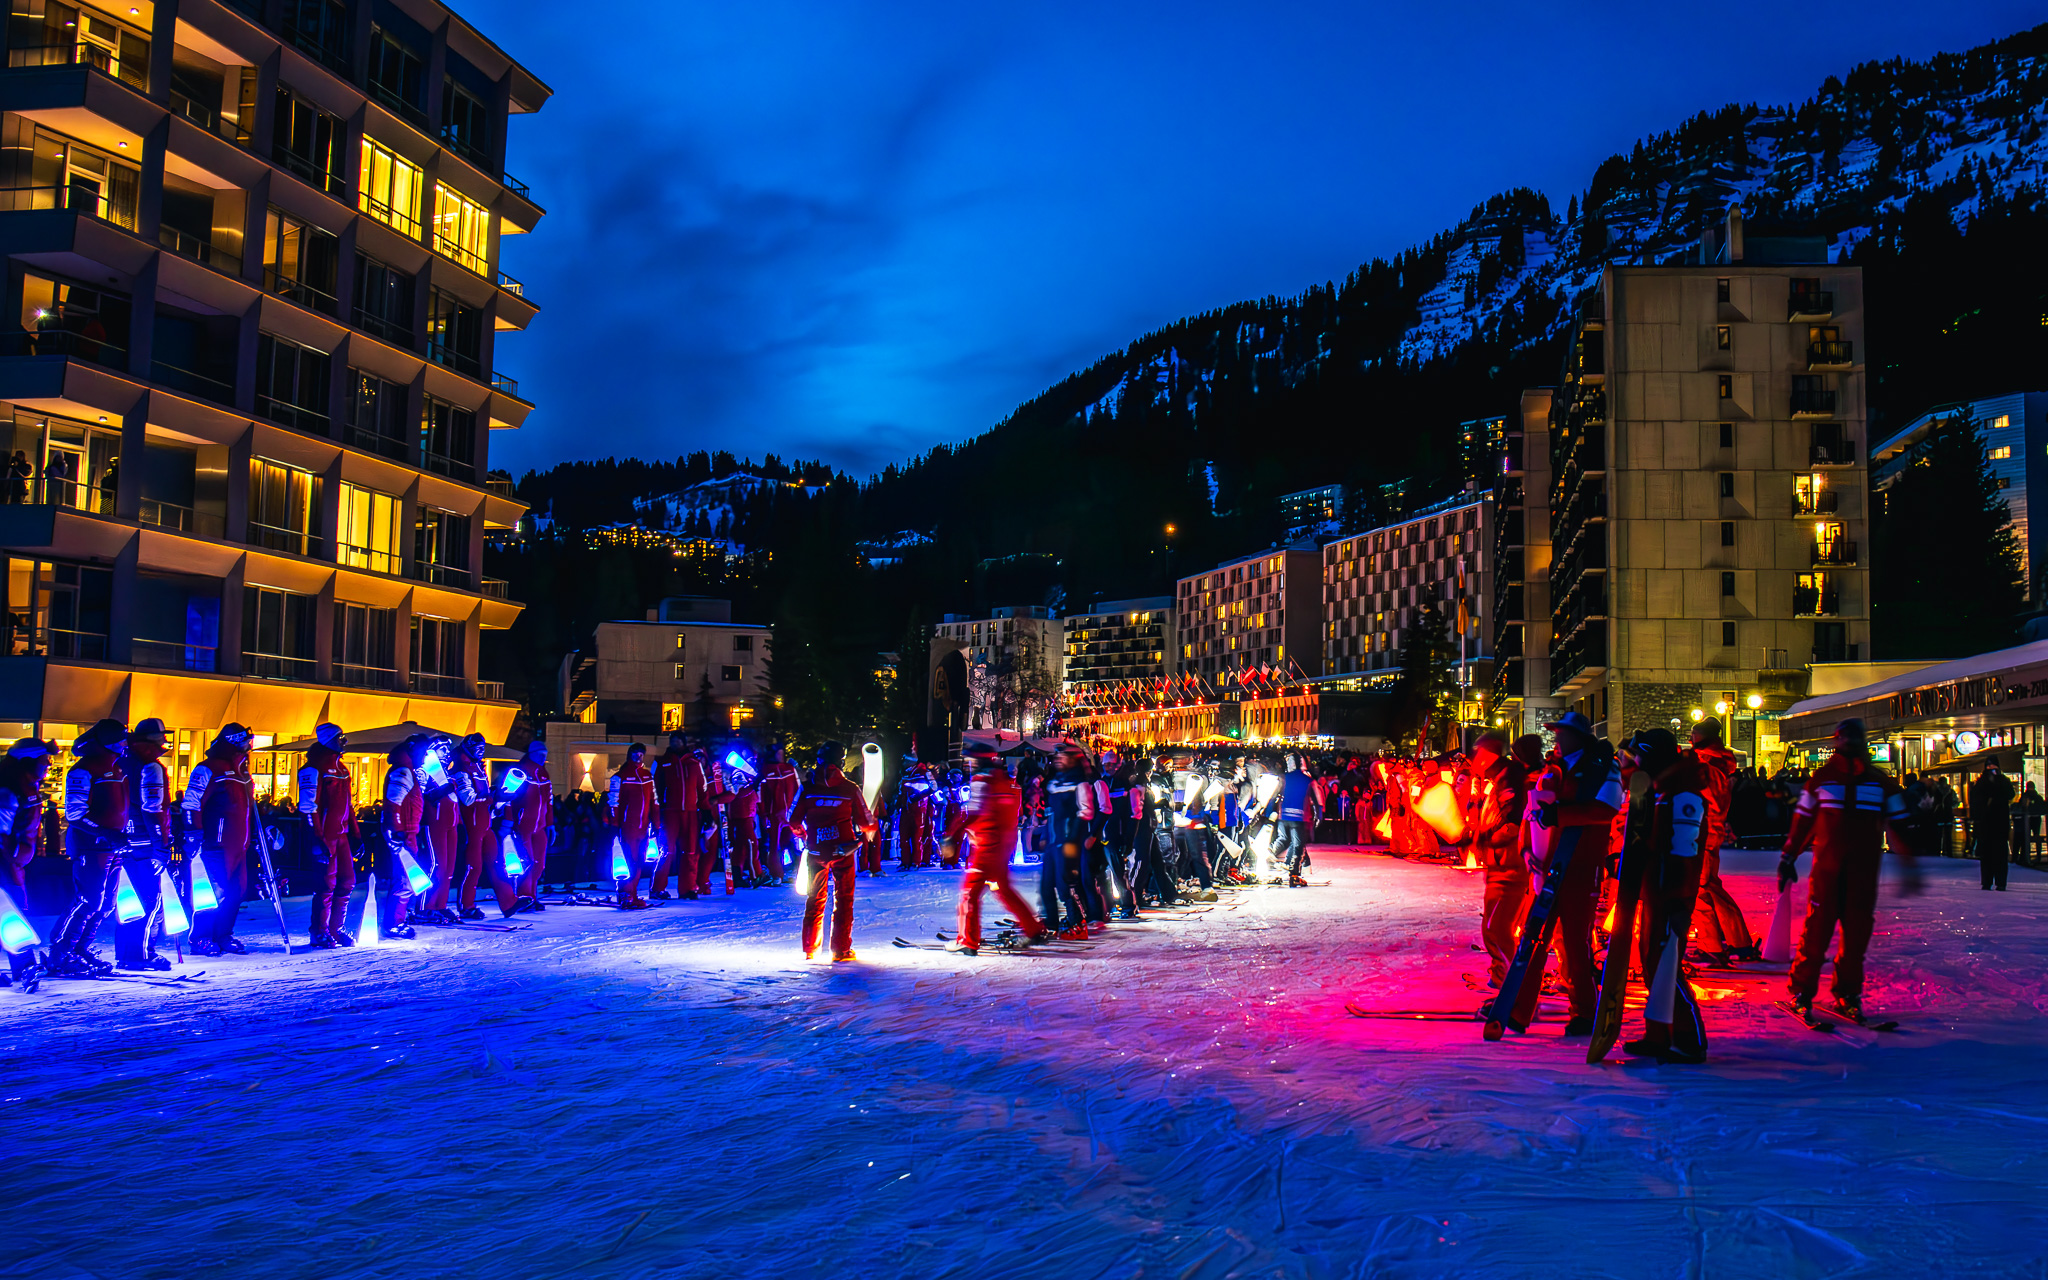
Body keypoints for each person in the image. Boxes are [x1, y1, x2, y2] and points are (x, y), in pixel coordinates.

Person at [1780, 718, 1922, 1023]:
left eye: (1851, 739)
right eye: (1844, 739)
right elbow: (1802, 823)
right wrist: (1787, 857)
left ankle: (1846, 992)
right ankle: (1803, 991)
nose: (1848, 744)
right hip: (1831, 873)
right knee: (1817, 933)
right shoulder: (1822, 780)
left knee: (1855, 937)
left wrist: (1909, 864)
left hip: (1861, 874)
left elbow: (1899, 825)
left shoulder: (1879, 783)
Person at [1505, 711, 1622, 1034]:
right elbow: (1534, 813)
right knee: (1534, 939)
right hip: (1547, 866)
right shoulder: (1553, 769)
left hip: (1581, 865)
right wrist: (1528, 850)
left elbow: (1606, 809)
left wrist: (1560, 815)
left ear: (1579, 737)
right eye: (1555, 733)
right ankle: (1519, 1010)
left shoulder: (1602, 766)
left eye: (1562, 733)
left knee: (1574, 942)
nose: (1556, 739)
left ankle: (1584, 1012)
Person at [1616, 729, 1711, 1063]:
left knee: (1666, 965)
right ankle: (1659, 1033)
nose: (1633, 763)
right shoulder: (1661, 791)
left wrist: (1676, 899)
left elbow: (1684, 850)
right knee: (1653, 964)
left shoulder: (1682, 794)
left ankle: (1689, 1039)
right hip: (1657, 890)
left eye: (1637, 756)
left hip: (1671, 895)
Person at [943, 744, 1047, 954]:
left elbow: (974, 814)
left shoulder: (982, 781)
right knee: (1002, 888)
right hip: (1003, 844)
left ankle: (968, 940)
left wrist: (952, 835)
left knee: (969, 892)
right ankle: (1033, 928)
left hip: (985, 845)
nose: (969, 764)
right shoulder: (1009, 782)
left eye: (970, 760)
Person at [46, 719, 130, 976]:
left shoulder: (116, 769)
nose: (125, 743)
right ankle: (60, 952)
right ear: (107, 742)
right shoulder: (84, 771)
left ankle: (80, 948)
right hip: (91, 846)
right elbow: (74, 814)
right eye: (121, 739)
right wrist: (104, 832)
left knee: (106, 904)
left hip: (111, 846)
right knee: (88, 900)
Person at [791, 741, 875, 961]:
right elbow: (866, 821)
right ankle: (840, 950)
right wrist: (869, 830)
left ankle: (810, 948)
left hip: (816, 852)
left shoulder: (807, 788)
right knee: (844, 899)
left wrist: (806, 837)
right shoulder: (850, 788)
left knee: (814, 898)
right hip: (842, 852)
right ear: (841, 761)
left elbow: (792, 820)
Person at [181, 723, 257, 957]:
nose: (250, 745)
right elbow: (191, 802)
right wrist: (193, 832)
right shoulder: (209, 769)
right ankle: (200, 937)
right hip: (216, 844)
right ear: (235, 740)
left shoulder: (242, 770)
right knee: (213, 892)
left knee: (237, 891)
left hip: (239, 844)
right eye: (246, 740)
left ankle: (223, 934)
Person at [1684, 719, 1755, 964]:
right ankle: (1734, 942)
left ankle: (1714, 945)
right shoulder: (1712, 763)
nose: (1690, 737)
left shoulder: (1708, 766)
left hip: (1702, 832)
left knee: (1700, 888)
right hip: (1705, 832)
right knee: (1707, 886)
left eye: (1693, 733)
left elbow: (1710, 801)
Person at [1467, 732, 1531, 989]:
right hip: (1499, 865)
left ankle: (1513, 986)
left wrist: (1485, 838)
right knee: (1491, 927)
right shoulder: (1499, 779)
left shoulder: (1510, 778)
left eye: (1477, 753)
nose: (1474, 759)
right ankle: (1501, 976)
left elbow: (1513, 823)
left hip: (1510, 866)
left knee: (1498, 928)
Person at [115, 719, 174, 972]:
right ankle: (141, 955)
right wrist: (161, 843)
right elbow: (154, 808)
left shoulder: (120, 760)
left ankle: (126, 952)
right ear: (154, 739)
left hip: (120, 840)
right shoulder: (151, 766)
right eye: (162, 736)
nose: (164, 740)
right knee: (151, 900)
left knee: (128, 901)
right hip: (144, 843)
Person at [297, 722, 359, 948]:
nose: (343, 741)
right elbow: (307, 806)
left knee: (347, 881)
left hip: (341, 836)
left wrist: (356, 834)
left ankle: (336, 928)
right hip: (325, 837)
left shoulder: (342, 769)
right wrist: (316, 838)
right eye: (339, 737)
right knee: (325, 884)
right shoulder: (314, 769)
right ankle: (320, 931)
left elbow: (348, 805)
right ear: (327, 740)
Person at [0, 738, 51, 990]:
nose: (48, 765)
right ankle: (25, 965)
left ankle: (24, 966)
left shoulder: (23, 785)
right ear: (28, 761)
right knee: (12, 909)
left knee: (11, 908)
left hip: (11, 862)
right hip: (4, 863)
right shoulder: (9, 788)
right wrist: (16, 854)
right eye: (44, 760)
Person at [377, 734, 432, 939]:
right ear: (412, 748)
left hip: (407, 833)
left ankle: (396, 920)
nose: (426, 757)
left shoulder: (406, 770)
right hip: (404, 834)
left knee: (406, 879)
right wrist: (397, 831)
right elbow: (393, 803)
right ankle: (393, 924)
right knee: (404, 880)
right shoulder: (403, 771)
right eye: (424, 751)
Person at [652, 734, 704, 901]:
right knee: (667, 851)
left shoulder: (694, 763)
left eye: (678, 741)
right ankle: (658, 888)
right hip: (670, 812)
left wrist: (706, 811)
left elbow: (702, 789)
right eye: (673, 741)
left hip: (690, 812)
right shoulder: (663, 762)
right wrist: (657, 811)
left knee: (690, 851)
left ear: (683, 742)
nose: (675, 744)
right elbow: (655, 789)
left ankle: (688, 888)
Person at [607, 742, 656, 909]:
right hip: (627, 827)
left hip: (643, 827)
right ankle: (627, 894)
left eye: (641, 753)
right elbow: (613, 802)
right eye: (635, 753)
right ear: (629, 754)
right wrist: (615, 824)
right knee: (629, 860)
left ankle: (630, 893)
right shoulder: (619, 777)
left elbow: (654, 802)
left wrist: (656, 823)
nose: (638, 756)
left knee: (639, 860)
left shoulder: (648, 776)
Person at [506, 740, 553, 906]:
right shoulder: (520, 771)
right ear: (532, 754)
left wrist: (550, 823)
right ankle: (524, 896)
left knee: (539, 864)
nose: (543, 758)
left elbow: (549, 800)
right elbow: (508, 798)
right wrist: (509, 821)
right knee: (527, 862)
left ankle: (532, 896)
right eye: (540, 755)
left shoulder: (544, 773)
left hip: (539, 826)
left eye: (545, 756)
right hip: (523, 825)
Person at [1270, 753, 1317, 888]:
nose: (1288, 764)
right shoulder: (1302, 778)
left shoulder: (1289, 777)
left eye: (1290, 761)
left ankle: (1276, 858)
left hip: (1287, 816)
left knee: (1290, 842)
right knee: (1296, 844)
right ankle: (1294, 873)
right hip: (1296, 816)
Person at [1969, 762, 2017, 891]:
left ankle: (1991, 881)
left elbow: (1975, 800)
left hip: (1991, 824)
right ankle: (1995, 882)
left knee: (1991, 854)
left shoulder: (1983, 782)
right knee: (1995, 854)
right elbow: (2010, 795)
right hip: (1995, 824)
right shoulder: (1995, 782)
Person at [759, 743, 799, 884]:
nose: (781, 755)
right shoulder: (765, 771)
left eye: (782, 752)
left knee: (792, 843)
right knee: (774, 846)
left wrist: (799, 809)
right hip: (774, 814)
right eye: (778, 753)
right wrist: (763, 814)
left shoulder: (789, 769)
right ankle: (777, 874)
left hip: (790, 812)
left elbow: (797, 789)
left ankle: (792, 871)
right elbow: (762, 794)